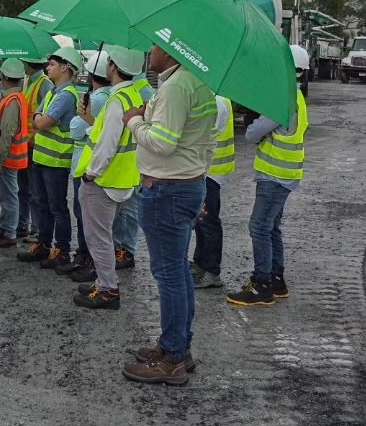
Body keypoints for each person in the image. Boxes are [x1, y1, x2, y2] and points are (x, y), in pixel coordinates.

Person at [119, 44, 218, 385]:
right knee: (177, 271)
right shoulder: (196, 82)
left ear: (173, 51)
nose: (151, 50)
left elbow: (162, 143)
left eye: (156, 45)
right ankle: (176, 347)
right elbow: (205, 142)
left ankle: (173, 357)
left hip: (167, 191)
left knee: (170, 274)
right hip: (183, 185)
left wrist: (133, 120)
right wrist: (197, 181)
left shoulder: (177, 87)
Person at [227, 50, 310, 307]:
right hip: (284, 174)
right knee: (271, 226)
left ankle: (261, 285)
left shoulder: (282, 100)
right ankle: (276, 279)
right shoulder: (297, 96)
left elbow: (252, 134)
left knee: (259, 227)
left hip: (274, 175)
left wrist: (255, 119)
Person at [71, 46, 143, 311]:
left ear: (113, 67)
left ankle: (108, 290)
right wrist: (90, 120)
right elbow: (113, 136)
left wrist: (91, 173)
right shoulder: (133, 95)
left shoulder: (116, 102)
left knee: (98, 238)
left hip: (103, 181)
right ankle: (103, 282)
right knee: (104, 236)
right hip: (122, 180)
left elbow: (108, 144)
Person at [18, 47, 82, 268]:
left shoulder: (66, 95)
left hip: (56, 161)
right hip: (43, 158)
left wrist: (40, 118)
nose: (48, 67)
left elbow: (43, 122)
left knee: (57, 207)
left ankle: (61, 249)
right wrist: (40, 117)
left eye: (52, 64)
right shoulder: (53, 92)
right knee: (41, 203)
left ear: (65, 68)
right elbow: (38, 118)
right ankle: (44, 245)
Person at [62, 51, 113, 282]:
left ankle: (87, 259)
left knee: (85, 216)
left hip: (85, 162)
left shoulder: (97, 99)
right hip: (93, 163)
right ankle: (85, 257)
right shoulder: (109, 96)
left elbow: (75, 130)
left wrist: (79, 116)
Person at [110, 52, 154, 270]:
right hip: (127, 158)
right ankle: (120, 248)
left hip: (132, 159)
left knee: (128, 209)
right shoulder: (139, 88)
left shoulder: (143, 90)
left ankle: (126, 250)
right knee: (123, 209)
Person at [191, 95, 235, 289]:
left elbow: (204, 136)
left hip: (210, 171)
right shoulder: (214, 98)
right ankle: (201, 263)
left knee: (208, 221)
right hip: (207, 170)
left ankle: (211, 271)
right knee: (201, 221)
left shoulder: (216, 102)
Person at [0, 58, 29, 248]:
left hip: (9, 158)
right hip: (12, 157)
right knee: (7, 194)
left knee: (9, 196)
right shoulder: (17, 98)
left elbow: (7, 133)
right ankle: (4, 227)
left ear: (3, 76)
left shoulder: (12, 102)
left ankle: (9, 232)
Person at [19, 57, 51, 240]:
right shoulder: (30, 82)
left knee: (35, 191)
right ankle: (23, 224)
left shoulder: (43, 84)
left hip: (35, 144)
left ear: (28, 65)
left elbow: (47, 115)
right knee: (23, 188)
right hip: (26, 144)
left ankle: (37, 228)